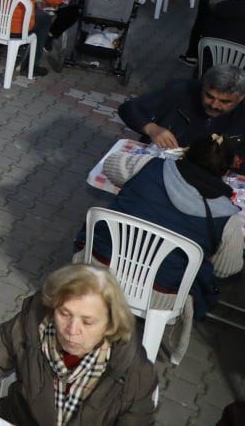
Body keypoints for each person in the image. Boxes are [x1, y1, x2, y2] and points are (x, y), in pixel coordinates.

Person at [0, 264, 156, 426]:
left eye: (87, 321)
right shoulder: (30, 326)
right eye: (64, 314)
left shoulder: (136, 374)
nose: (72, 330)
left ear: (110, 325)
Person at [85, 131, 242, 322]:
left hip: (98, 268)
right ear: (226, 172)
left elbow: (111, 164)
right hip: (159, 297)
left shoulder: (148, 167)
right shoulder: (228, 217)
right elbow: (226, 270)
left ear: (185, 153)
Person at [118, 64, 245, 149]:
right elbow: (129, 108)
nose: (214, 105)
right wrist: (152, 128)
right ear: (203, 86)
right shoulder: (181, 90)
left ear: (241, 97)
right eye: (209, 96)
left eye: (225, 102)